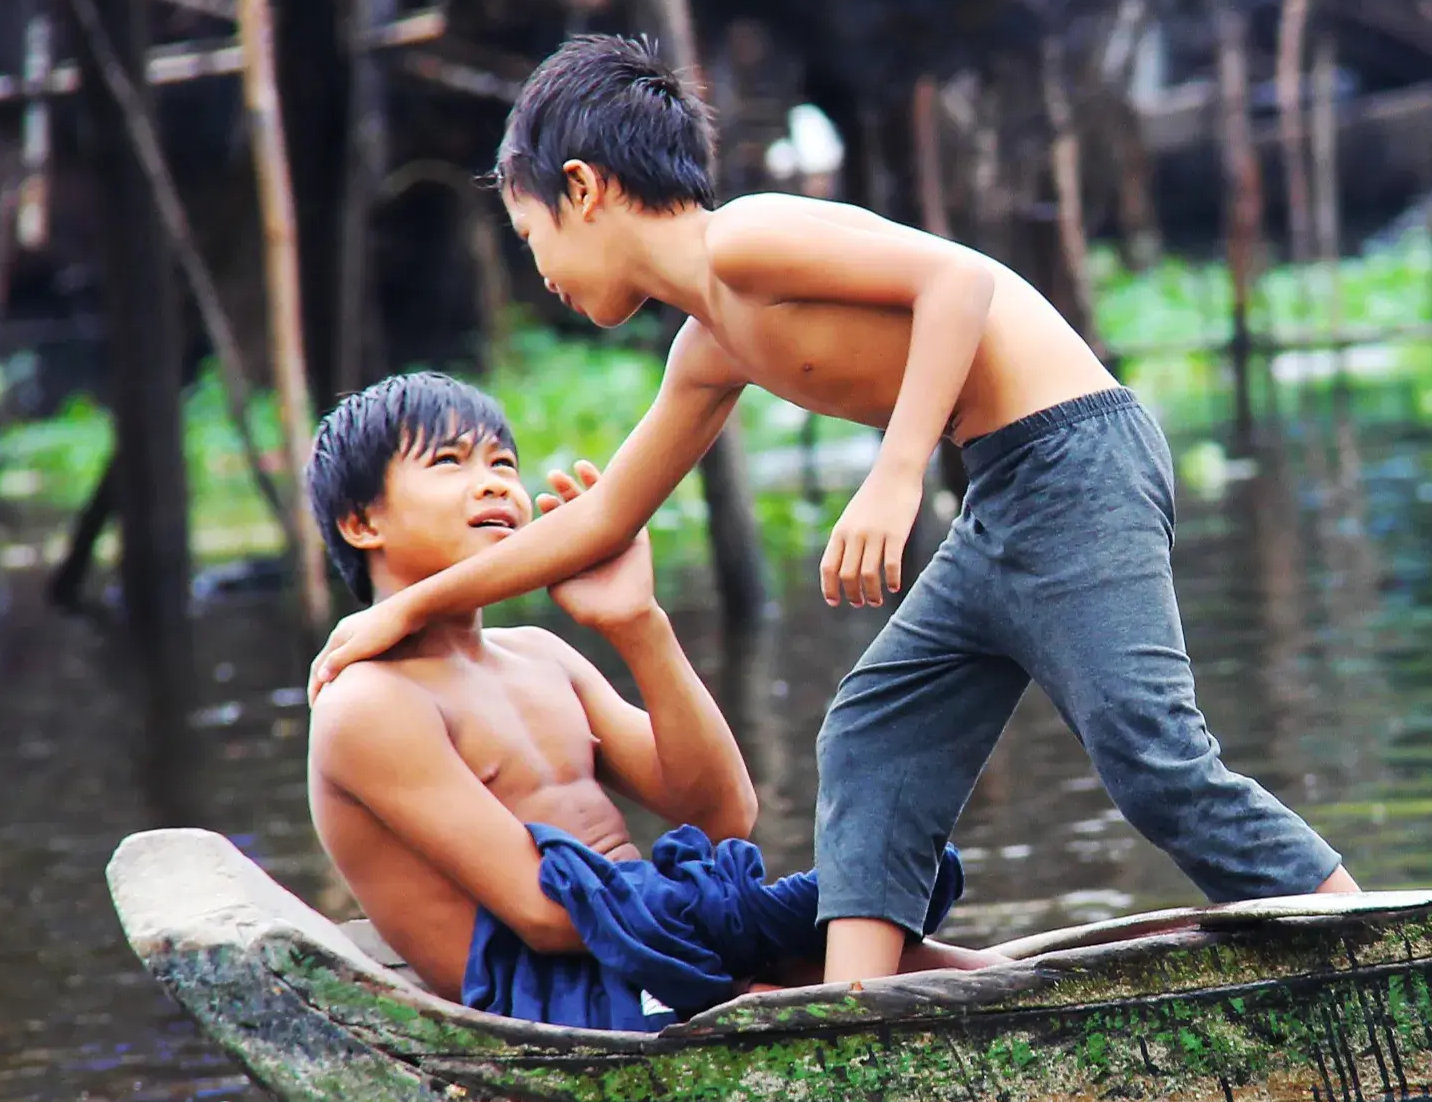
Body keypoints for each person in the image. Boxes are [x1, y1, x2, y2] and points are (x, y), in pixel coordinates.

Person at [307, 34, 1357, 986]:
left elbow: (958, 284)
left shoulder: (746, 241)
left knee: (1150, 758)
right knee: (870, 734)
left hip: (1074, 458)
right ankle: (862, 1011)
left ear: (582, 190)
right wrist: (403, 610)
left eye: (530, 233)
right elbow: (595, 523)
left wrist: (897, 476)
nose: (539, 272)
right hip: (1002, 488)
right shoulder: (706, 347)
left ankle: (1358, 939)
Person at [301, 371, 970, 1030]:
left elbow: (723, 811)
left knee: (927, 957)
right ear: (362, 522)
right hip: (555, 998)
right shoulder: (367, 701)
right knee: (829, 967)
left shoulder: (540, 655)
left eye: (503, 460)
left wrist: (638, 624)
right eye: (449, 461)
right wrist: (740, 918)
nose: (496, 481)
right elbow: (546, 916)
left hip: (650, 942)